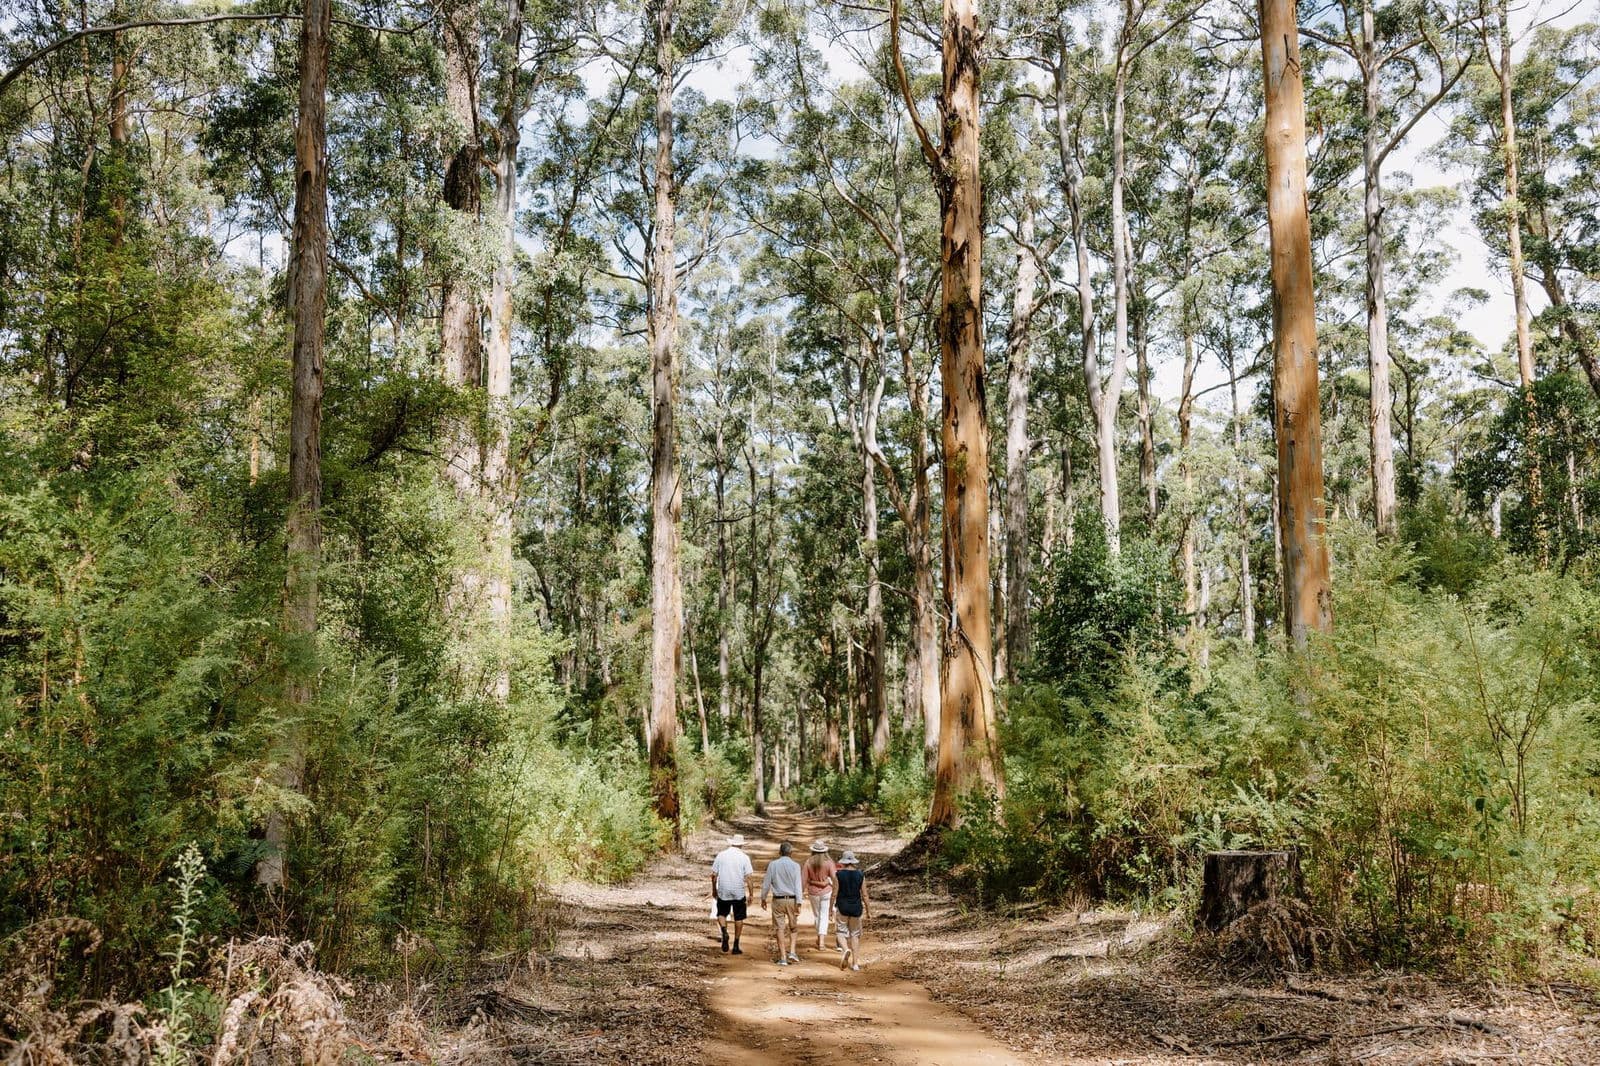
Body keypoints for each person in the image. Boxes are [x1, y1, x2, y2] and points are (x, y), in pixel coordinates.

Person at [759, 841, 804, 965]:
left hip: (778, 900)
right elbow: (798, 885)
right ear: (791, 853)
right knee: (793, 927)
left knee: (779, 928)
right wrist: (799, 902)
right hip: (792, 899)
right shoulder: (796, 866)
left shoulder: (773, 865)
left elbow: (766, 883)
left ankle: (783, 957)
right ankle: (792, 952)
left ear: (780, 852)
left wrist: (763, 898)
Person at [710, 834, 753, 955]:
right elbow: (748, 878)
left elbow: (713, 875)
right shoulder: (744, 857)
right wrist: (751, 894)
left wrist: (714, 889)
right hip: (738, 891)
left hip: (724, 890)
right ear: (741, 845)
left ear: (731, 843)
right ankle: (736, 945)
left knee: (721, 913)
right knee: (739, 917)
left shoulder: (721, 855)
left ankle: (724, 931)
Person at [832, 851, 871, 971]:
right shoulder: (860, 874)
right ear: (853, 861)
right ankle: (855, 964)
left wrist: (830, 909)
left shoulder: (838, 874)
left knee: (840, 932)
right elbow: (865, 895)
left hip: (842, 907)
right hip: (856, 908)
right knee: (855, 935)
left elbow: (834, 893)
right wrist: (868, 910)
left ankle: (845, 949)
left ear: (843, 862)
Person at [802, 841, 837, 951]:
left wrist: (800, 894)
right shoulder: (829, 863)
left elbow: (803, 880)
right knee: (824, 916)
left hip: (813, 893)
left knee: (817, 916)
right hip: (826, 892)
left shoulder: (808, 862)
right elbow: (835, 878)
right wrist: (835, 888)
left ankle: (819, 939)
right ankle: (821, 942)